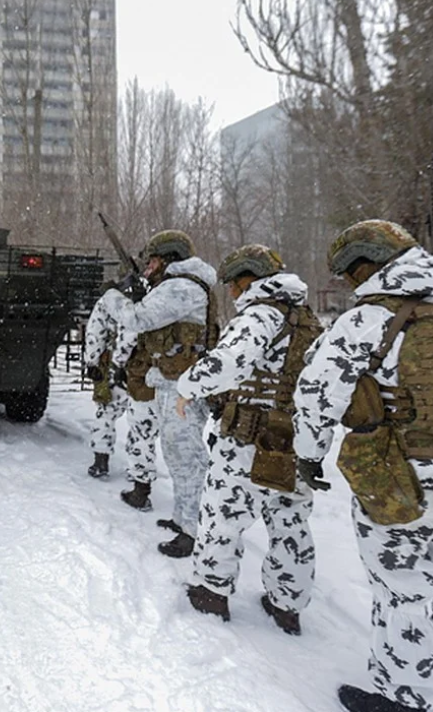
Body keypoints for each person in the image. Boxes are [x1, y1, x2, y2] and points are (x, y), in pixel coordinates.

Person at [293, 220, 433, 712]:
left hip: (399, 477)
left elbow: (314, 397)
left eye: (352, 273)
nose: (352, 283)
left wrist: (309, 454)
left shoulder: (366, 321)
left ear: (368, 264)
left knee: (403, 590)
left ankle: (407, 698)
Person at [174, 244, 322, 634]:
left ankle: (210, 591)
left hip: (247, 440)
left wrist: (187, 386)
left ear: (247, 279)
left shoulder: (259, 315)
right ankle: (286, 605)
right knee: (290, 522)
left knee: (223, 517)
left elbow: (229, 363)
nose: (233, 294)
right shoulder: (307, 320)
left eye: (234, 286)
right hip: (294, 439)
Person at [113, 230, 219, 557]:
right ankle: (182, 518)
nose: (148, 267)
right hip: (174, 381)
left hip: (184, 385)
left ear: (168, 259)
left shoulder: (181, 286)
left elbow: (138, 318)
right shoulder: (177, 285)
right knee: (176, 453)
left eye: (153, 260)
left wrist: (117, 296)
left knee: (187, 458)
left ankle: (194, 530)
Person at [83, 279, 158, 496]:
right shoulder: (153, 295)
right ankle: (136, 472)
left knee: (106, 412)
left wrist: (93, 362)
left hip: (119, 364)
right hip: (146, 367)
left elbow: (95, 332)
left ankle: (101, 461)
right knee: (142, 423)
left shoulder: (109, 302)